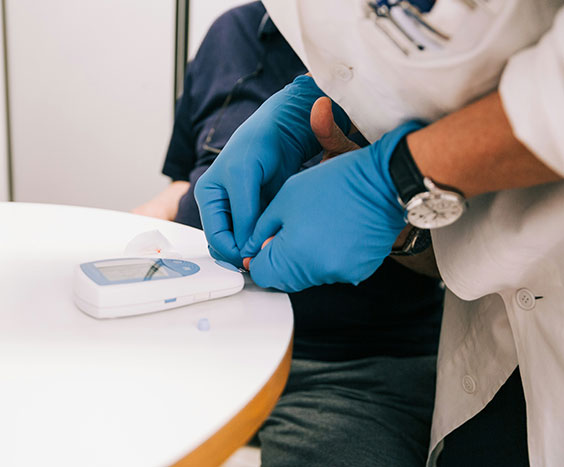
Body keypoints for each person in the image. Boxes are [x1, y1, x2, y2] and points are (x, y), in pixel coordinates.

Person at [195, 1, 564, 465]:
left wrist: (397, 177)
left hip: (365, 369)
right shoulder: (233, 37)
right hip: (489, 338)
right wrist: (339, 97)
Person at [135, 3, 445, 466]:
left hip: (345, 372)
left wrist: (390, 210)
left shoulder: (420, 36)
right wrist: (126, 236)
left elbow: (473, 249)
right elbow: (185, 181)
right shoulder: (232, 34)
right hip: (196, 347)